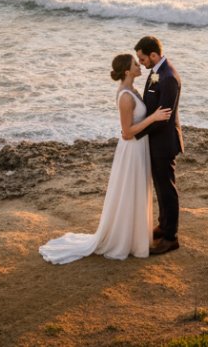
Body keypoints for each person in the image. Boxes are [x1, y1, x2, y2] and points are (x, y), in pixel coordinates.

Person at [38, 54, 172, 264]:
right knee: (129, 192)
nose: (139, 65)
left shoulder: (133, 89)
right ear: (127, 72)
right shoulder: (125, 96)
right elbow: (127, 132)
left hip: (139, 148)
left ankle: (135, 236)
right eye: (135, 64)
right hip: (132, 150)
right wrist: (153, 118)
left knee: (136, 192)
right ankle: (124, 239)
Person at [134, 35, 183, 255]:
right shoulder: (156, 72)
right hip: (155, 142)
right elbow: (151, 102)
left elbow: (163, 117)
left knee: (167, 190)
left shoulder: (168, 77)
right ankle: (163, 226)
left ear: (153, 55)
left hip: (164, 144)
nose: (141, 63)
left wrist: (136, 133)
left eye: (142, 59)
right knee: (160, 189)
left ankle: (171, 237)